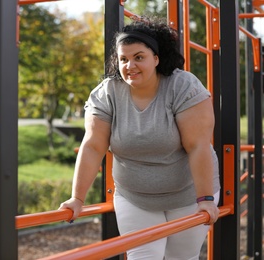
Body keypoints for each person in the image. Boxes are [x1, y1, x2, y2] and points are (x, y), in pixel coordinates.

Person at [59, 16, 220, 259]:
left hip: (187, 196)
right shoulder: (107, 93)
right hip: (134, 197)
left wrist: (206, 199)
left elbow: (198, 145)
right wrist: (77, 199)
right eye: (123, 59)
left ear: (156, 59)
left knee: (181, 257)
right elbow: (93, 146)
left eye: (138, 57)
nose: (129, 65)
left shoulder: (182, 86)